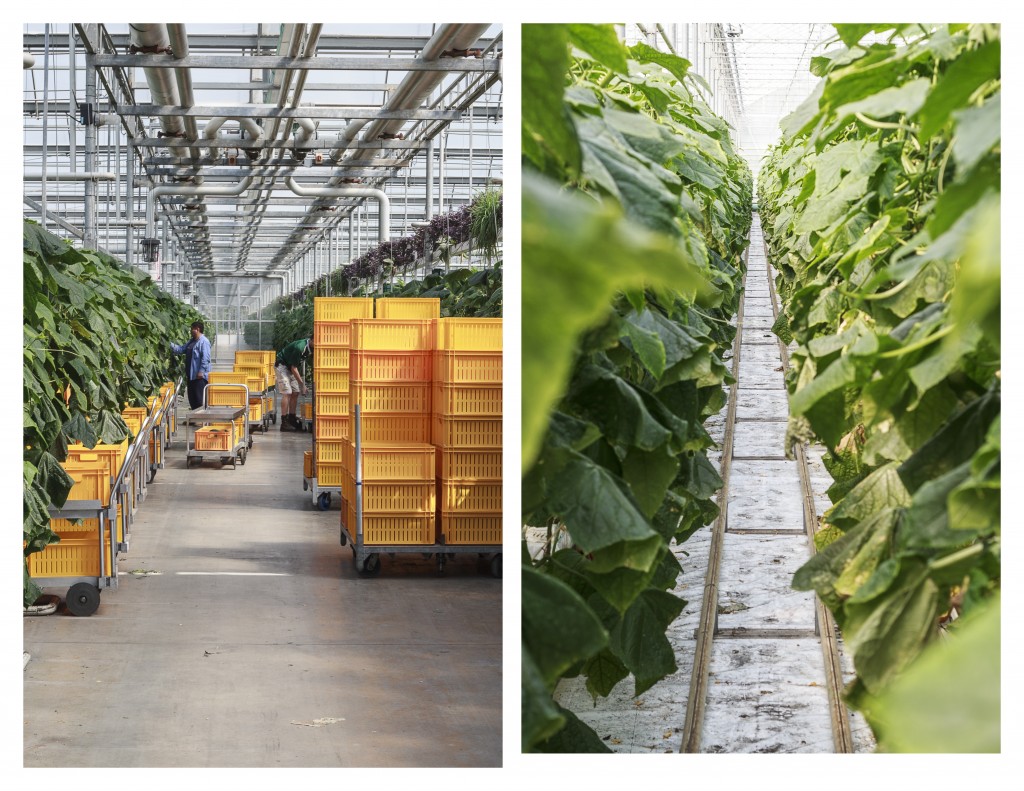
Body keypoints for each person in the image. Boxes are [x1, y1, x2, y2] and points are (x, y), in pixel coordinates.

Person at [170, 320, 212, 410]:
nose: (190, 331)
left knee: (199, 398)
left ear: (197, 329)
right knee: (192, 398)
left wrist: (201, 371)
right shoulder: (192, 341)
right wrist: (168, 344)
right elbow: (181, 349)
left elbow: (206, 358)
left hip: (199, 377)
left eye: (192, 329)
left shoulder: (204, 342)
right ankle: (194, 418)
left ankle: (200, 420)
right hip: (191, 375)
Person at [275, 337, 311, 431]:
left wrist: (301, 385)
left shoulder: (310, 348)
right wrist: (302, 384)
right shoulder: (300, 348)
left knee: (295, 392)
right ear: (312, 340)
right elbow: (293, 368)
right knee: (287, 393)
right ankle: (284, 422)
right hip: (282, 366)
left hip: (290, 367)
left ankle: (292, 419)